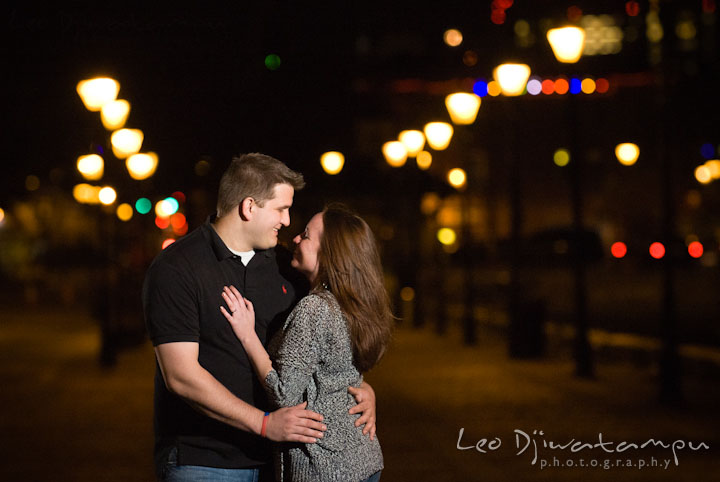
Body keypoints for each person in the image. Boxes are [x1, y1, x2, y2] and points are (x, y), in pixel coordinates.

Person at [143, 154, 377, 481]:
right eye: (281, 208)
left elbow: (321, 342)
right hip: (205, 461)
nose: (287, 219)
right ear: (249, 207)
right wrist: (264, 423)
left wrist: (360, 388)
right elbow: (180, 376)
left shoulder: (286, 267)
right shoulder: (178, 267)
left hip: (281, 463)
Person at [220, 204, 393, 482]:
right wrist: (366, 389)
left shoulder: (315, 308)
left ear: (329, 254)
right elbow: (341, 374)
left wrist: (247, 334)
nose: (296, 239)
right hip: (364, 457)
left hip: (325, 466)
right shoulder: (352, 304)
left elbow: (284, 394)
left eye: (306, 235)